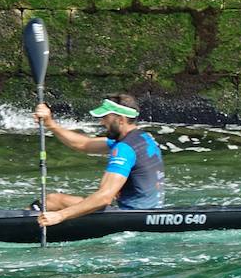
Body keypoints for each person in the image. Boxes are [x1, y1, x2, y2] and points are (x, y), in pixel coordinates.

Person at [32, 94, 164, 228]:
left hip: (129, 216)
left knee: (52, 201)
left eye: (105, 117)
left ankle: (25, 223)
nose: (102, 122)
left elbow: (104, 197)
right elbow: (83, 144)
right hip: (149, 211)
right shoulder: (142, 137)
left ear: (120, 120)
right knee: (53, 200)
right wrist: (51, 124)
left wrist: (60, 216)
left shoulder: (124, 149)